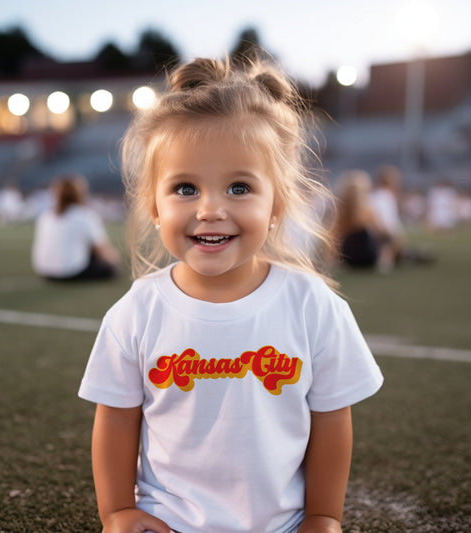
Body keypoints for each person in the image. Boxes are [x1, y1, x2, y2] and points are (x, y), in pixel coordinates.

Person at [78, 56, 383, 533]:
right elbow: (117, 420)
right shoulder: (136, 311)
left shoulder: (313, 306)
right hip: (166, 521)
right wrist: (117, 510)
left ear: (277, 204)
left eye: (239, 187)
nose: (210, 209)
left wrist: (324, 516)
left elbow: (330, 421)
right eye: (184, 188)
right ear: (154, 207)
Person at [31, 174, 120, 280]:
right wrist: (116, 260)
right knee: (109, 268)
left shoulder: (45, 216)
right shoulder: (85, 215)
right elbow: (102, 250)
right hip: (72, 271)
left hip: (45, 271)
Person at [332, 169, 396, 271]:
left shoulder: (340, 212)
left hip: (348, 258)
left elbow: (333, 238)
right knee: (385, 237)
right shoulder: (367, 209)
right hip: (368, 256)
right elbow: (382, 232)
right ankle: (385, 262)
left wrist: (333, 261)